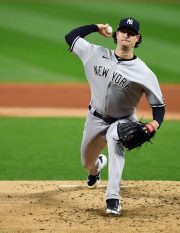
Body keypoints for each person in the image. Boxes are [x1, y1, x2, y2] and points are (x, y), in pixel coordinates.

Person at [65, 17, 165, 216]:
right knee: (87, 162)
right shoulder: (94, 53)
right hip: (94, 118)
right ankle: (96, 168)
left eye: (131, 33)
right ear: (116, 35)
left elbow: (159, 107)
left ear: (138, 38)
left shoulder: (144, 73)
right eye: (123, 31)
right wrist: (95, 27)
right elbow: (70, 37)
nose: (126, 35)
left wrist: (154, 124)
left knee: (115, 138)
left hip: (123, 121)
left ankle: (113, 199)